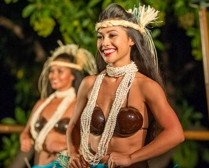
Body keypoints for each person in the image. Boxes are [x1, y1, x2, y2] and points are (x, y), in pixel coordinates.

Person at [58, 3, 185, 168]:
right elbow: (74, 126)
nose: (104, 43)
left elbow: (175, 133)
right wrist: (74, 153)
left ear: (131, 39)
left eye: (112, 35)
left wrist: (131, 158)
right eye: (100, 36)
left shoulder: (146, 86)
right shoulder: (89, 83)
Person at [19, 40, 97, 168]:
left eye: (60, 71)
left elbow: (93, 141)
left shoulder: (80, 105)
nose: (53, 75)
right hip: (39, 164)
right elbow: (25, 131)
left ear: (73, 75)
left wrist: (63, 146)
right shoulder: (41, 104)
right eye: (51, 71)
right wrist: (25, 139)